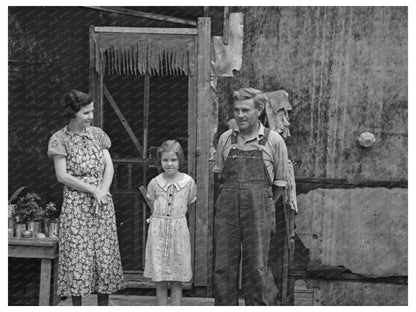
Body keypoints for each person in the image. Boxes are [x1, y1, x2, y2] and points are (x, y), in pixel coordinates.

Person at [47, 89, 125, 306]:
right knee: (77, 255)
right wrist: (92, 191)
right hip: (76, 205)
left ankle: (103, 306)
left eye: (91, 112)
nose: (91, 116)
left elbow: (108, 166)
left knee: (104, 254)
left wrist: (102, 191)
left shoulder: (98, 135)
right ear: (73, 113)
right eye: (86, 113)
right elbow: (62, 175)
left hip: (102, 203)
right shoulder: (60, 139)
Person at [213, 87, 288, 305]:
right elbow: (220, 177)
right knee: (223, 266)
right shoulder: (226, 139)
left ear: (259, 110)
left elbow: (280, 184)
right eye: (236, 110)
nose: (240, 115)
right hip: (227, 209)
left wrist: (263, 205)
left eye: (246, 110)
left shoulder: (274, 141)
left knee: (256, 267)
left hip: (260, 210)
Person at [143, 140, 197, 305]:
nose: (169, 164)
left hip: (178, 231)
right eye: (165, 160)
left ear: (180, 160)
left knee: (176, 277)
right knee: (160, 278)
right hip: (158, 231)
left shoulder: (188, 183)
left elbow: (190, 202)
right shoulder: (155, 182)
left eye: (173, 160)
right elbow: (151, 200)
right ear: (160, 161)